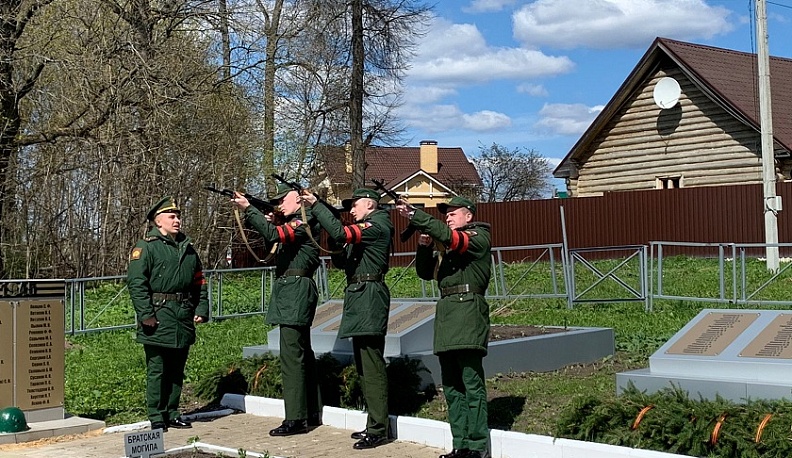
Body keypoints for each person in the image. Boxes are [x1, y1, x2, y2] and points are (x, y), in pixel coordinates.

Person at [396, 196, 492, 458]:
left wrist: (416, 216)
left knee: (471, 381)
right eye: (445, 214)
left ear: (468, 216)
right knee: (451, 384)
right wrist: (424, 246)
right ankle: (460, 443)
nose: (447, 217)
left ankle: (477, 445)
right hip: (448, 311)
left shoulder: (479, 237)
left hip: (469, 309)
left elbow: (454, 240)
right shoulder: (448, 243)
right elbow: (426, 273)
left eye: (453, 213)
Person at [301, 188, 394, 450]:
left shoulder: (376, 225)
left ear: (370, 205)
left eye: (355, 206)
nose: (351, 211)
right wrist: (336, 246)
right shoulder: (367, 229)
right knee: (364, 366)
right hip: (359, 294)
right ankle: (374, 422)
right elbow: (342, 261)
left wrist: (317, 205)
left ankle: (379, 428)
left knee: (372, 365)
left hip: (369, 295)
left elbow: (343, 233)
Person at [231, 183, 323, 436]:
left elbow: (275, 237)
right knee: (301, 353)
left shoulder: (303, 221)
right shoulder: (297, 222)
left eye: (284, 199)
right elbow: (275, 238)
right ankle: (310, 411)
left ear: (298, 200)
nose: (280, 203)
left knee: (292, 357)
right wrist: (265, 219)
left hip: (295, 291)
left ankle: (295, 418)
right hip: (293, 290)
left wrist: (250, 210)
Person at [127, 196, 209, 432]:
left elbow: (199, 281)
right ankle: (156, 415)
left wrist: (201, 308)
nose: (177, 220)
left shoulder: (188, 248)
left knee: (176, 369)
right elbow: (136, 283)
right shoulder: (147, 246)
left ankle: (172, 412)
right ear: (158, 221)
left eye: (178, 216)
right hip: (158, 314)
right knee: (157, 369)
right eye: (172, 216)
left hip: (182, 315)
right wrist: (146, 315)